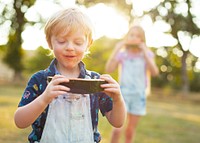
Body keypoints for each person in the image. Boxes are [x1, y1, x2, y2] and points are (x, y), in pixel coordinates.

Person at [14, 7, 126, 143]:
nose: (70, 47)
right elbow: (20, 121)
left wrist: (118, 99)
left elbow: (117, 122)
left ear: (88, 44)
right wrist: (44, 99)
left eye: (78, 42)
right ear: (50, 42)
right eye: (62, 41)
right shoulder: (40, 80)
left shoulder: (95, 81)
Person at [106, 25, 159, 143]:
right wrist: (116, 49)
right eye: (132, 35)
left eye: (138, 36)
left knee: (130, 131)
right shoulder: (123, 54)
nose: (134, 38)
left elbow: (155, 72)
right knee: (117, 130)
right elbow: (109, 68)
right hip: (123, 94)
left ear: (142, 40)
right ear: (127, 37)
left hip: (138, 95)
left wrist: (145, 53)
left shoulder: (147, 54)